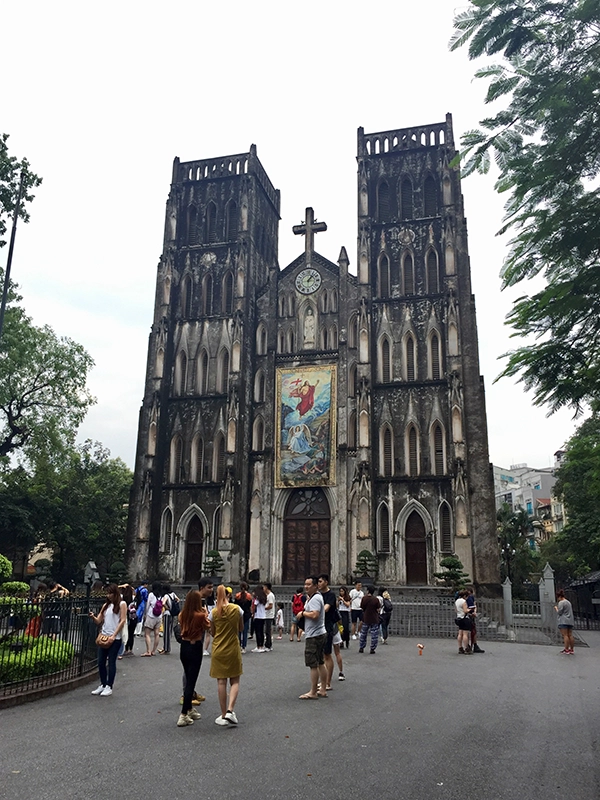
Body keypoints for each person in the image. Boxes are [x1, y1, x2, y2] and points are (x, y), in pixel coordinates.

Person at [210, 584, 244, 725]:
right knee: (234, 680)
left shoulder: (213, 612)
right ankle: (230, 710)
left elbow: (212, 632)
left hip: (218, 648)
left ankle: (223, 714)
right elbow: (241, 628)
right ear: (228, 595)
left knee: (221, 681)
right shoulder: (237, 609)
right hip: (232, 647)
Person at [177, 589, 210, 727]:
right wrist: (206, 614)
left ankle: (189, 708)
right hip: (195, 646)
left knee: (189, 676)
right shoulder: (200, 615)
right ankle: (183, 714)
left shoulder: (182, 614)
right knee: (192, 680)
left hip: (184, 647)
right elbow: (209, 628)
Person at [89, 584, 127, 696]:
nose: (109, 595)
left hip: (115, 638)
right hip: (104, 635)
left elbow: (122, 620)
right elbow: (98, 621)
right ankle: (103, 684)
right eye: (107, 593)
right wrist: (93, 617)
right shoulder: (106, 605)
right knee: (101, 662)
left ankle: (109, 686)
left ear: (115, 593)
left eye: (111, 593)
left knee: (111, 662)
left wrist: (114, 635)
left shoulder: (121, 604)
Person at [297, 576, 327, 699]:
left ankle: (313, 692)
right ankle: (323, 689)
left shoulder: (315, 598)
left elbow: (315, 615)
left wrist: (302, 613)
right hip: (319, 632)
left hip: (314, 635)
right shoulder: (314, 597)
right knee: (320, 662)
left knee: (313, 664)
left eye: (309, 584)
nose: (306, 587)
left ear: (315, 586)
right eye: (305, 584)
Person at [317, 574, 339, 689]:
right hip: (319, 627)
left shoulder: (330, 595)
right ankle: (323, 681)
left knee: (327, 655)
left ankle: (328, 683)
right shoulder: (318, 594)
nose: (319, 584)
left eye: (320, 581)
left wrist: (313, 612)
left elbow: (326, 609)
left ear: (326, 582)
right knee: (321, 656)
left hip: (328, 627)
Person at [142, 581, 163, 656]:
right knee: (156, 634)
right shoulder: (161, 595)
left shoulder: (151, 594)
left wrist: (146, 614)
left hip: (151, 615)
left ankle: (148, 651)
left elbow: (148, 605)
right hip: (159, 616)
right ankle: (153, 651)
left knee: (147, 634)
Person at [359, 585, 381, 654]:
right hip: (374, 618)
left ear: (368, 591)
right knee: (374, 634)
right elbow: (378, 609)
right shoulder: (376, 599)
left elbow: (362, 607)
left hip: (366, 618)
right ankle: (372, 648)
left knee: (363, 633)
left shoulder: (364, 598)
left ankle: (361, 647)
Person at [159, 583, 180, 655]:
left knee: (166, 632)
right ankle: (166, 647)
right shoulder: (173, 594)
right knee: (169, 631)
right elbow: (178, 600)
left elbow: (163, 603)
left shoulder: (166, 595)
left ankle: (166, 649)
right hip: (172, 614)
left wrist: (167, 607)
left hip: (167, 614)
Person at [234, 581, 253, 653]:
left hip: (239, 614)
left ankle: (238, 645)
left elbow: (235, 605)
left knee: (238, 631)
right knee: (245, 631)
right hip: (247, 614)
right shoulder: (249, 596)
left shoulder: (237, 596)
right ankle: (244, 647)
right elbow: (249, 606)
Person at [555, 589, 575, 654]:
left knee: (565, 635)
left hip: (563, 620)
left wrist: (556, 608)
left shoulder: (561, 603)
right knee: (570, 635)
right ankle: (571, 649)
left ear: (559, 597)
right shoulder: (568, 602)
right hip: (570, 620)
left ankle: (566, 649)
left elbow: (560, 612)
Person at [465, 586, 485, 653]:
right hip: (468, 615)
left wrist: (474, 612)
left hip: (470, 614)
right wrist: (472, 613)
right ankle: (469, 646)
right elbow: (469, 607)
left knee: (472, 631)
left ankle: (473, 645)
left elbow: (474, 605)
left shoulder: (470, 598)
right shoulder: (467, 598)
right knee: (468, 631)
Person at [455, 589, 472, 655]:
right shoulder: (463, 601)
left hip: (459, 618)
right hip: (464, 618)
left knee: (460, 634)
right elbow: (465, 611)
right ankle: (466, 648)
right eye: (467, 596)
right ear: (465, 596)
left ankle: (460, 647)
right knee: (465, 634)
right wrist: (470, 610)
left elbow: (456, 610)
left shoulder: (457, 601)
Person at [251, 585, 268, 652]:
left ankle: (258, 646)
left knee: (257, 631)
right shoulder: (264, 597)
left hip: (258, 616)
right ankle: (262, 646)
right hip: (263, 616)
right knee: (261, 631)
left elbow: (254, 606)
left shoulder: (257, 598)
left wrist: (253, 613)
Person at [263, 582, 275, 650]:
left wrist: (263, 608)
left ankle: (268, 645)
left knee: (268, 631)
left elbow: (270, 605)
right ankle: (267, 644)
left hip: (269, 615)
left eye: (264, 587)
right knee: (267, 630)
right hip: (267, 614)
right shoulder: (268, 595)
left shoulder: (270, 595)